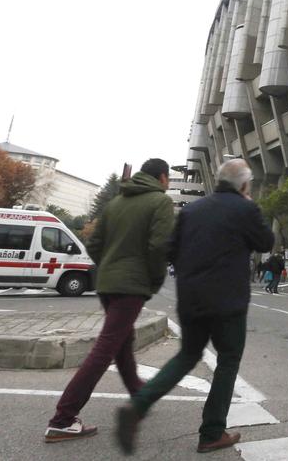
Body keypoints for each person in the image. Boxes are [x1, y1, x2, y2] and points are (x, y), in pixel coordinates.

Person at [115, 158, 273, 455]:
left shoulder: (193, 209)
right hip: (228, 300)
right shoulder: (245, 208)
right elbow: (266, 242)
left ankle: (138, 405)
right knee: (228, 360)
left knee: (187, 355)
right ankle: (212, 432)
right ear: (244, 184)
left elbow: (170, 250)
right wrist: (250, 207)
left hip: (191, 297)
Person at [45, 159, 175, 443]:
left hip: (107, 283)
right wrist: (154, 279)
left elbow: (93, 244)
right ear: (163, 178)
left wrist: (109, 267)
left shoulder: (116, 202)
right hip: (131, 285)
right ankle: (62, 419)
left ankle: (139, 394)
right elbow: (158, 246)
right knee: (105, 348)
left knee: (122, 342)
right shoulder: (160, 202)